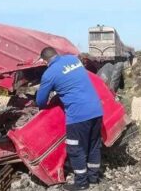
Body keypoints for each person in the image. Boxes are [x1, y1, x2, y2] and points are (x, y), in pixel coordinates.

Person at [36, 47, 103, 191]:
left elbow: (40, 100)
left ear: (45, 60)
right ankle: (93, 178)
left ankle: (81, 183)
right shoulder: (73, 60)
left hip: (78, 116)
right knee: (94, 145)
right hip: (96, 110)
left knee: (75, 149)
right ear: (56, 54)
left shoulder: (49, 74)